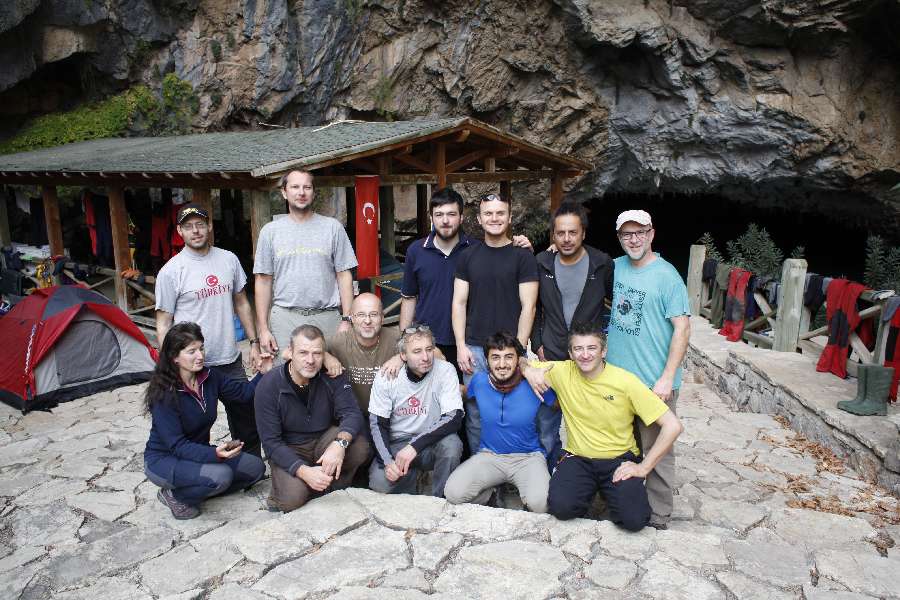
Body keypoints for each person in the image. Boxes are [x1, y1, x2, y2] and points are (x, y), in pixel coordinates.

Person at [522, 321, 683, 531]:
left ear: (603, 351)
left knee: (634, 520)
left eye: (592, 348)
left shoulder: (625, 381)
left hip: (618, 459)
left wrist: (643, 468)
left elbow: (672, 426)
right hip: (578, 457)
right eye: (578, 349)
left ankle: (611, 494)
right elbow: (520, 361)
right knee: (561, 508)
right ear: (570, 353)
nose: (585, 355)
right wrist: (528, 370)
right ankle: (590, 492)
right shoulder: (561, 371)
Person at [155, 202, 264, 456]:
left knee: (246, 416)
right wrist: (169, 363)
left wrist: (254, 342)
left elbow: (241, 302)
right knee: (194, 426)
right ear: (179, 231)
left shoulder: (229, 260)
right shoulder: (171, 271)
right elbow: (164, 322)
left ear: (210, 226)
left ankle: (250, 466)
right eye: (188, 227)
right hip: (192, 364)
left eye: (200, 225)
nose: (195, 231)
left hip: (229, 359)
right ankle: (201, 467)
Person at [607, 209, 691, 529]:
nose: (634, 240)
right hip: (619, 379)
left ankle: (658, 514)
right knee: (623, 444)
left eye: (639, 233)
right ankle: (623, 499)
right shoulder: (615, 267)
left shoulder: (667, 276)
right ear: (619, 238)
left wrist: (667, 377)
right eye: (627, 234)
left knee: (658, 449)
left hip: (654, 381)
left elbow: (682, 329)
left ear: (651, 234)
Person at [399, 186, 533, 376]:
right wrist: (404, 344)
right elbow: (409, 298)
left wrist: (526, 248)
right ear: (431, 218)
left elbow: (503, 267)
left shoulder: (474, 249)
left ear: (462, 217)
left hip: (468, 342)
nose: (445, 220)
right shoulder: (416, 251)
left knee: (465, 390)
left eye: (452, 214)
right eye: (439, 215)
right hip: (429, 342)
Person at [143, 322, 271, 520]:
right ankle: (175, 495)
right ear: (174, 357)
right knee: (221, 476)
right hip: (164, 460)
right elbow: (177, 446)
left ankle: (202, 487)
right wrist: (214, 454)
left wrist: (263, 373)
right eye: (191, 351)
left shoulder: (210, 377)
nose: (200, 356)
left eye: (201, 348)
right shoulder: (164, 394)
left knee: (255, 468)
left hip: (197, 453)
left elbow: (244, 394)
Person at [451, 192, 539, 451]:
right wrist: (460, 345)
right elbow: (459, 303)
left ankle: (514, 463)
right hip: (475, 348)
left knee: (515, 409)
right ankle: (481, 464)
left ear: (510, 218)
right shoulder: (468, 256)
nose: (494, 218)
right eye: (488, 213)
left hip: (511, 348)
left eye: (500, 213)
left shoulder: (523, 256)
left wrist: (519, 351)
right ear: (479, 219)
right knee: (476, 413)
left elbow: (529, 306)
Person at [254, 324, 371, 512]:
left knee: (359, 447)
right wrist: (303, 471)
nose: (310, 360)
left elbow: (351, 413)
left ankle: (332, 485)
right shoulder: (269, 385)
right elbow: (270, 442)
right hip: (290, 447)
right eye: (303, 353)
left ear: (324, 355)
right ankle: (291, 488)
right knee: (293, 498)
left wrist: (339, 444)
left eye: (317, 353)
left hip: (323, 440)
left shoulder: (332, 375)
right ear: (290, 352)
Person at [532, 201, 614, 467]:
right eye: (560, 233)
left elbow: (616, 305)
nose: (566, 239)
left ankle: (592, 474)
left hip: (589, 357)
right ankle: (546, 474)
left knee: (592, 421)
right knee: (546, 424)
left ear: (583, 233)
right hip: (552, 355)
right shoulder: (542, 262)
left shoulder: (602, 264)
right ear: (553, 235)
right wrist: (537, 343)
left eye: (573, 232)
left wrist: (604, 344)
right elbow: (533, 307)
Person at [444, 331, 555, 513]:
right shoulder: (480, 382)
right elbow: (466, 393)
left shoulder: (534, 385)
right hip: (490, 456)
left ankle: (527, 499)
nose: (502, 364)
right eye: (495, 357)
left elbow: (559, 406)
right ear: (487, 361)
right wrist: (447, 386)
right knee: (453, 493)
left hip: (528, 458)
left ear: (518, 360)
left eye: (509, 357)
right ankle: (490, 495)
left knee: (541, 504)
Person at [254, 170, 357, 364]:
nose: (301, 192)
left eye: (307, 187)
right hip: (285, 317)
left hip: (327, 317)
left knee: (333, 371)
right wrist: (263, 329)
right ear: (284, 192)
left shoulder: (332, 228)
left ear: (313, 192)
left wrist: (347, 319)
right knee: (286, 374)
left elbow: (344, 275)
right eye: (295, 187)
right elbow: (263, 281)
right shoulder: (270, 232)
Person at [368, 324, 464, 497]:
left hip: (432, 441)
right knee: (379, 483)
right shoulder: (386, 376)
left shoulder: (445, 370)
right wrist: (388, 463)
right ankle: (415, 481)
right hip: (398, 444)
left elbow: (454, 417)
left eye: (429, 349)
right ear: (403, 355)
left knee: (452, 445)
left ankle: (440, 499)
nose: (425, 357)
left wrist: (414, 446)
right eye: (417, 351)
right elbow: (377, 424)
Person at [323, 292, 404, 414]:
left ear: (382, 318)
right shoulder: (339, 341)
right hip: (352, 415)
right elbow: (295, 351)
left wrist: (402, 357)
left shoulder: (396, 338)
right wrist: (325, 356)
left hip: (388, 414)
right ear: (352, 318)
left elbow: (432, 352)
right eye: (361, 315)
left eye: (374, 314)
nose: (367, 321)